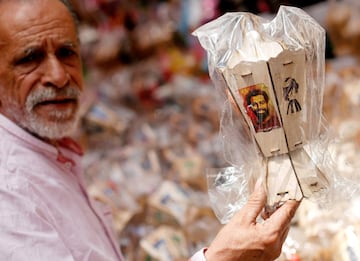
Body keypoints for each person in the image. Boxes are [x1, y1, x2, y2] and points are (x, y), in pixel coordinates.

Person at [0, 0, 300, 260]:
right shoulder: (9, 194)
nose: (58, 75)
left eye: (66, 52)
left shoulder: (47, 146)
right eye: (29, 58)